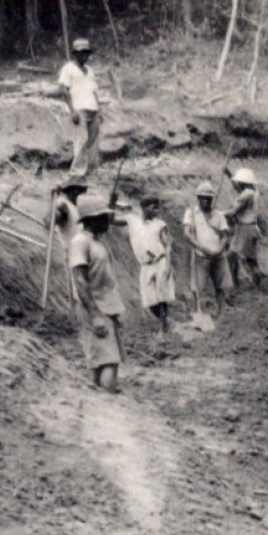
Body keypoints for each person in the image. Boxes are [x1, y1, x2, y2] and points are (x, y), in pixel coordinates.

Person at [70, 194, 127, 393]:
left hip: (105, 306)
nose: (107, 221)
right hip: (93, 308)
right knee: (108, 361)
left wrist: (112, 312)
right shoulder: (80, 242)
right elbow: (80, 281)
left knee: (102, 360)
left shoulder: (96, 241)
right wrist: (95, 316)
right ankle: (107, 407)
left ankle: (98, 401)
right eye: (102, 217)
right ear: (91, 219)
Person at [117, 194, 176, 346]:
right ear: (143, 207)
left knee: (162, 297)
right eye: (152, 206)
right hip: (145, 265)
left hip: (160, 261)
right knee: (149, 301)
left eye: (157, 207)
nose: (155, 210)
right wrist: (111, 203)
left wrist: (168, 265)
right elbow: (111, 220)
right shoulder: (132, 220)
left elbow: (168, 245)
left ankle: (162, 329)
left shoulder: (160, 224)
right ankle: (167, 322)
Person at [183, 180, 233, 314]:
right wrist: (202, 248)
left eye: (209, 198)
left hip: (218, 256)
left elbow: (225, 235)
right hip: (201, 256)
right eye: (203, 198)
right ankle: (201, 316)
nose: (206, 201)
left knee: (221, 287)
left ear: (212, 199)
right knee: (199, 288)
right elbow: (187, 234)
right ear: (198, 198)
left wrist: (220, 249)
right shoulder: (191, 213)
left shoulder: (218, 215)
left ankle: (222, 314)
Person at [57, 38, 103, 177]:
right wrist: (72, 111)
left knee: (93, 142)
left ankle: (92, 171)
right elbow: (63, 89)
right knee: (80, 141)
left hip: (93, 109)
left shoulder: (89, 70)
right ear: (75, 54)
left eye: (87, 53)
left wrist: (99, 110)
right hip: (79, 109)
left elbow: (94, 91)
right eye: (82, 53)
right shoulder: (68, 68)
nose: (85, 56)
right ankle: (76, 173)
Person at [222, 166, 268, 289]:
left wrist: (217, 213)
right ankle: (258, 285)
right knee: (251, 259)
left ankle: (234, 284)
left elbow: (233, 212)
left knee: (231, 256)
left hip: (244, 229)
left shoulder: (246, 195)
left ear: (243, 183)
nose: (238, 184)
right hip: (252, 228)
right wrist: (229, 175)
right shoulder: (254, 192)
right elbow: (238, 188)